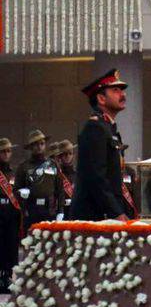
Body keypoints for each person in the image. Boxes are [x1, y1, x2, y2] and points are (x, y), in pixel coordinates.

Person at [70, 69, 131, 222]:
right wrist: (115, 211)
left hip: (104, 213)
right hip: (93, 215)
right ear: (101, 99)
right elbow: (97, 177)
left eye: (122, 90)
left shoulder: (108, 128)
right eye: (115, 90)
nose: (123, 94)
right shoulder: (95, 128)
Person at [15, 129, 58, 230]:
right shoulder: (23, 167)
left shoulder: (52, 164)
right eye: (36, 144)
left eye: (42, 143)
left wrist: (60, 211)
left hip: (49, 210)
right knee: (30, 242)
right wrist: (20, 193)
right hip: (31, 210)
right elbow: (15, 189)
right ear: (30, 147)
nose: (39, 147)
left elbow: (59, 189)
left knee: (48, 243)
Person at [0, 138, 21, 293]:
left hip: (12, 217)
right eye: (3, 151)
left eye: (9, 151)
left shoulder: (14, 173)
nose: (6, 154)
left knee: (11, 249)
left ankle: (7, 278)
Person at [52, 140, 76, 220]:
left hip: (74, 211)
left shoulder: (77, 174)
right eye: (65, 154)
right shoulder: (55, 174)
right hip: (59, 212)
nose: (68, 156)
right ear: (60, 157)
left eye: (70, 153)